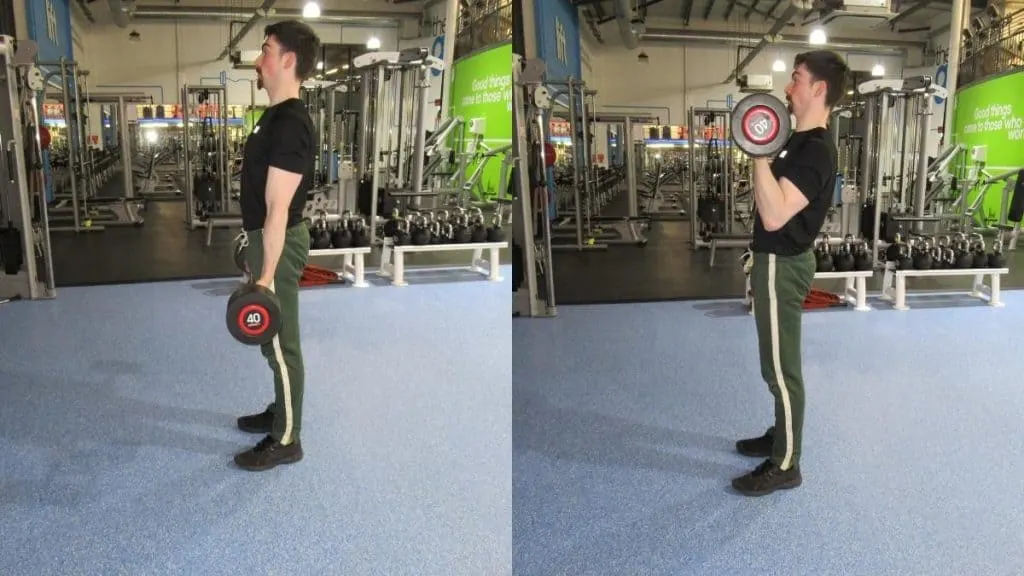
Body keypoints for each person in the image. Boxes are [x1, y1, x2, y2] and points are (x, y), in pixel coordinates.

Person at [731, 50, 848, 496]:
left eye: (795, 78)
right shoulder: (796, 142)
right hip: (771, 261)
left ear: (818, 89)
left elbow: (776, 214)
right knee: (772, 364)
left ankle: (785, 463)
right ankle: (779, 434)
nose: (787, 87)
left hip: (782, 264)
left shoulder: (815, 150)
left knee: (782, 370)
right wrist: (763, 148)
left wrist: (756, 151)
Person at [233, 20, 320, 472]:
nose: (257, 59)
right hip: (265, 242)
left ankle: (287, 438)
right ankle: (280, 409)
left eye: (265, 50)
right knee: (271, 343)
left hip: (279, 245)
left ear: (288, 60)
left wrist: (266, 275)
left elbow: (278, 207)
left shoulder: (291, 123)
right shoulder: (273, 116)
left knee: (282, 342)